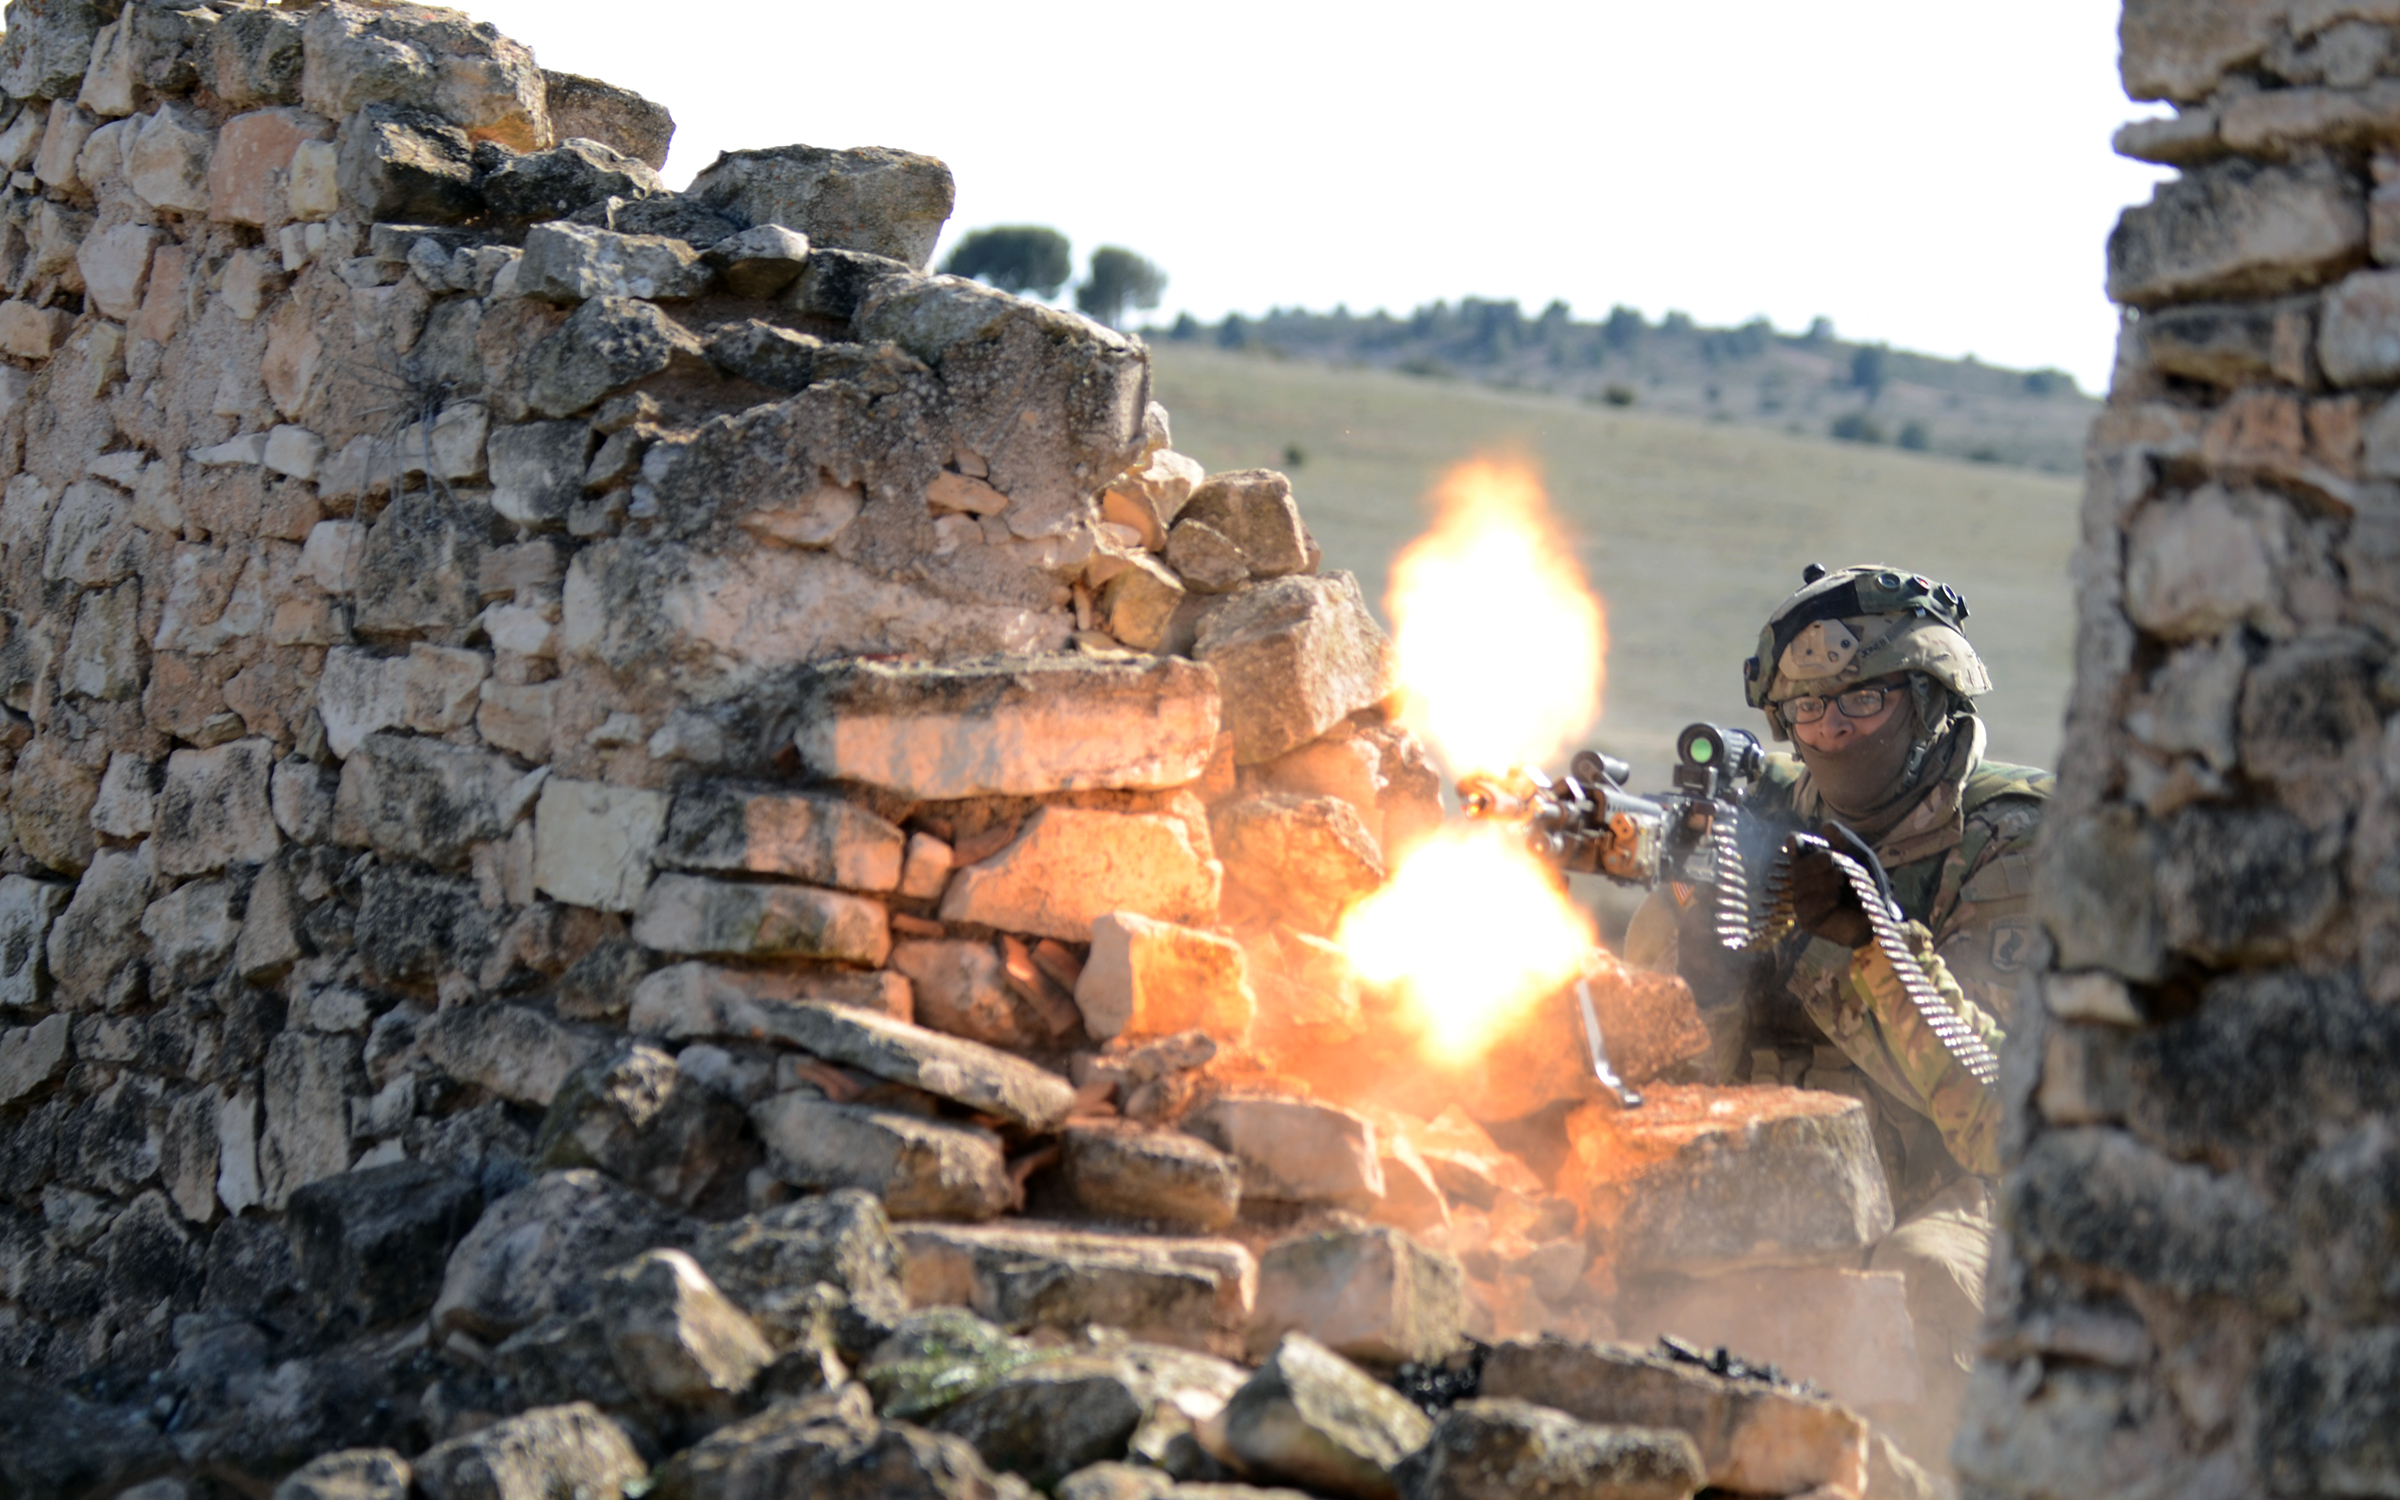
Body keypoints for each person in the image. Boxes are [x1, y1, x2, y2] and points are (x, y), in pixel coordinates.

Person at [1623, 561, 2049, 1457]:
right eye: (1809, 710)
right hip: (1793, 1172)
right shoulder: (1759, 812)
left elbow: (1998, 1118)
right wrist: (1696, 958)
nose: (1833, 729)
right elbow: (1671, 1075)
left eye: (1863, 702)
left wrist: (1862, 946)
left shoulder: (2013, 842)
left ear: (1929, 697)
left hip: (1964, 1191)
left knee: (1915, 1288)